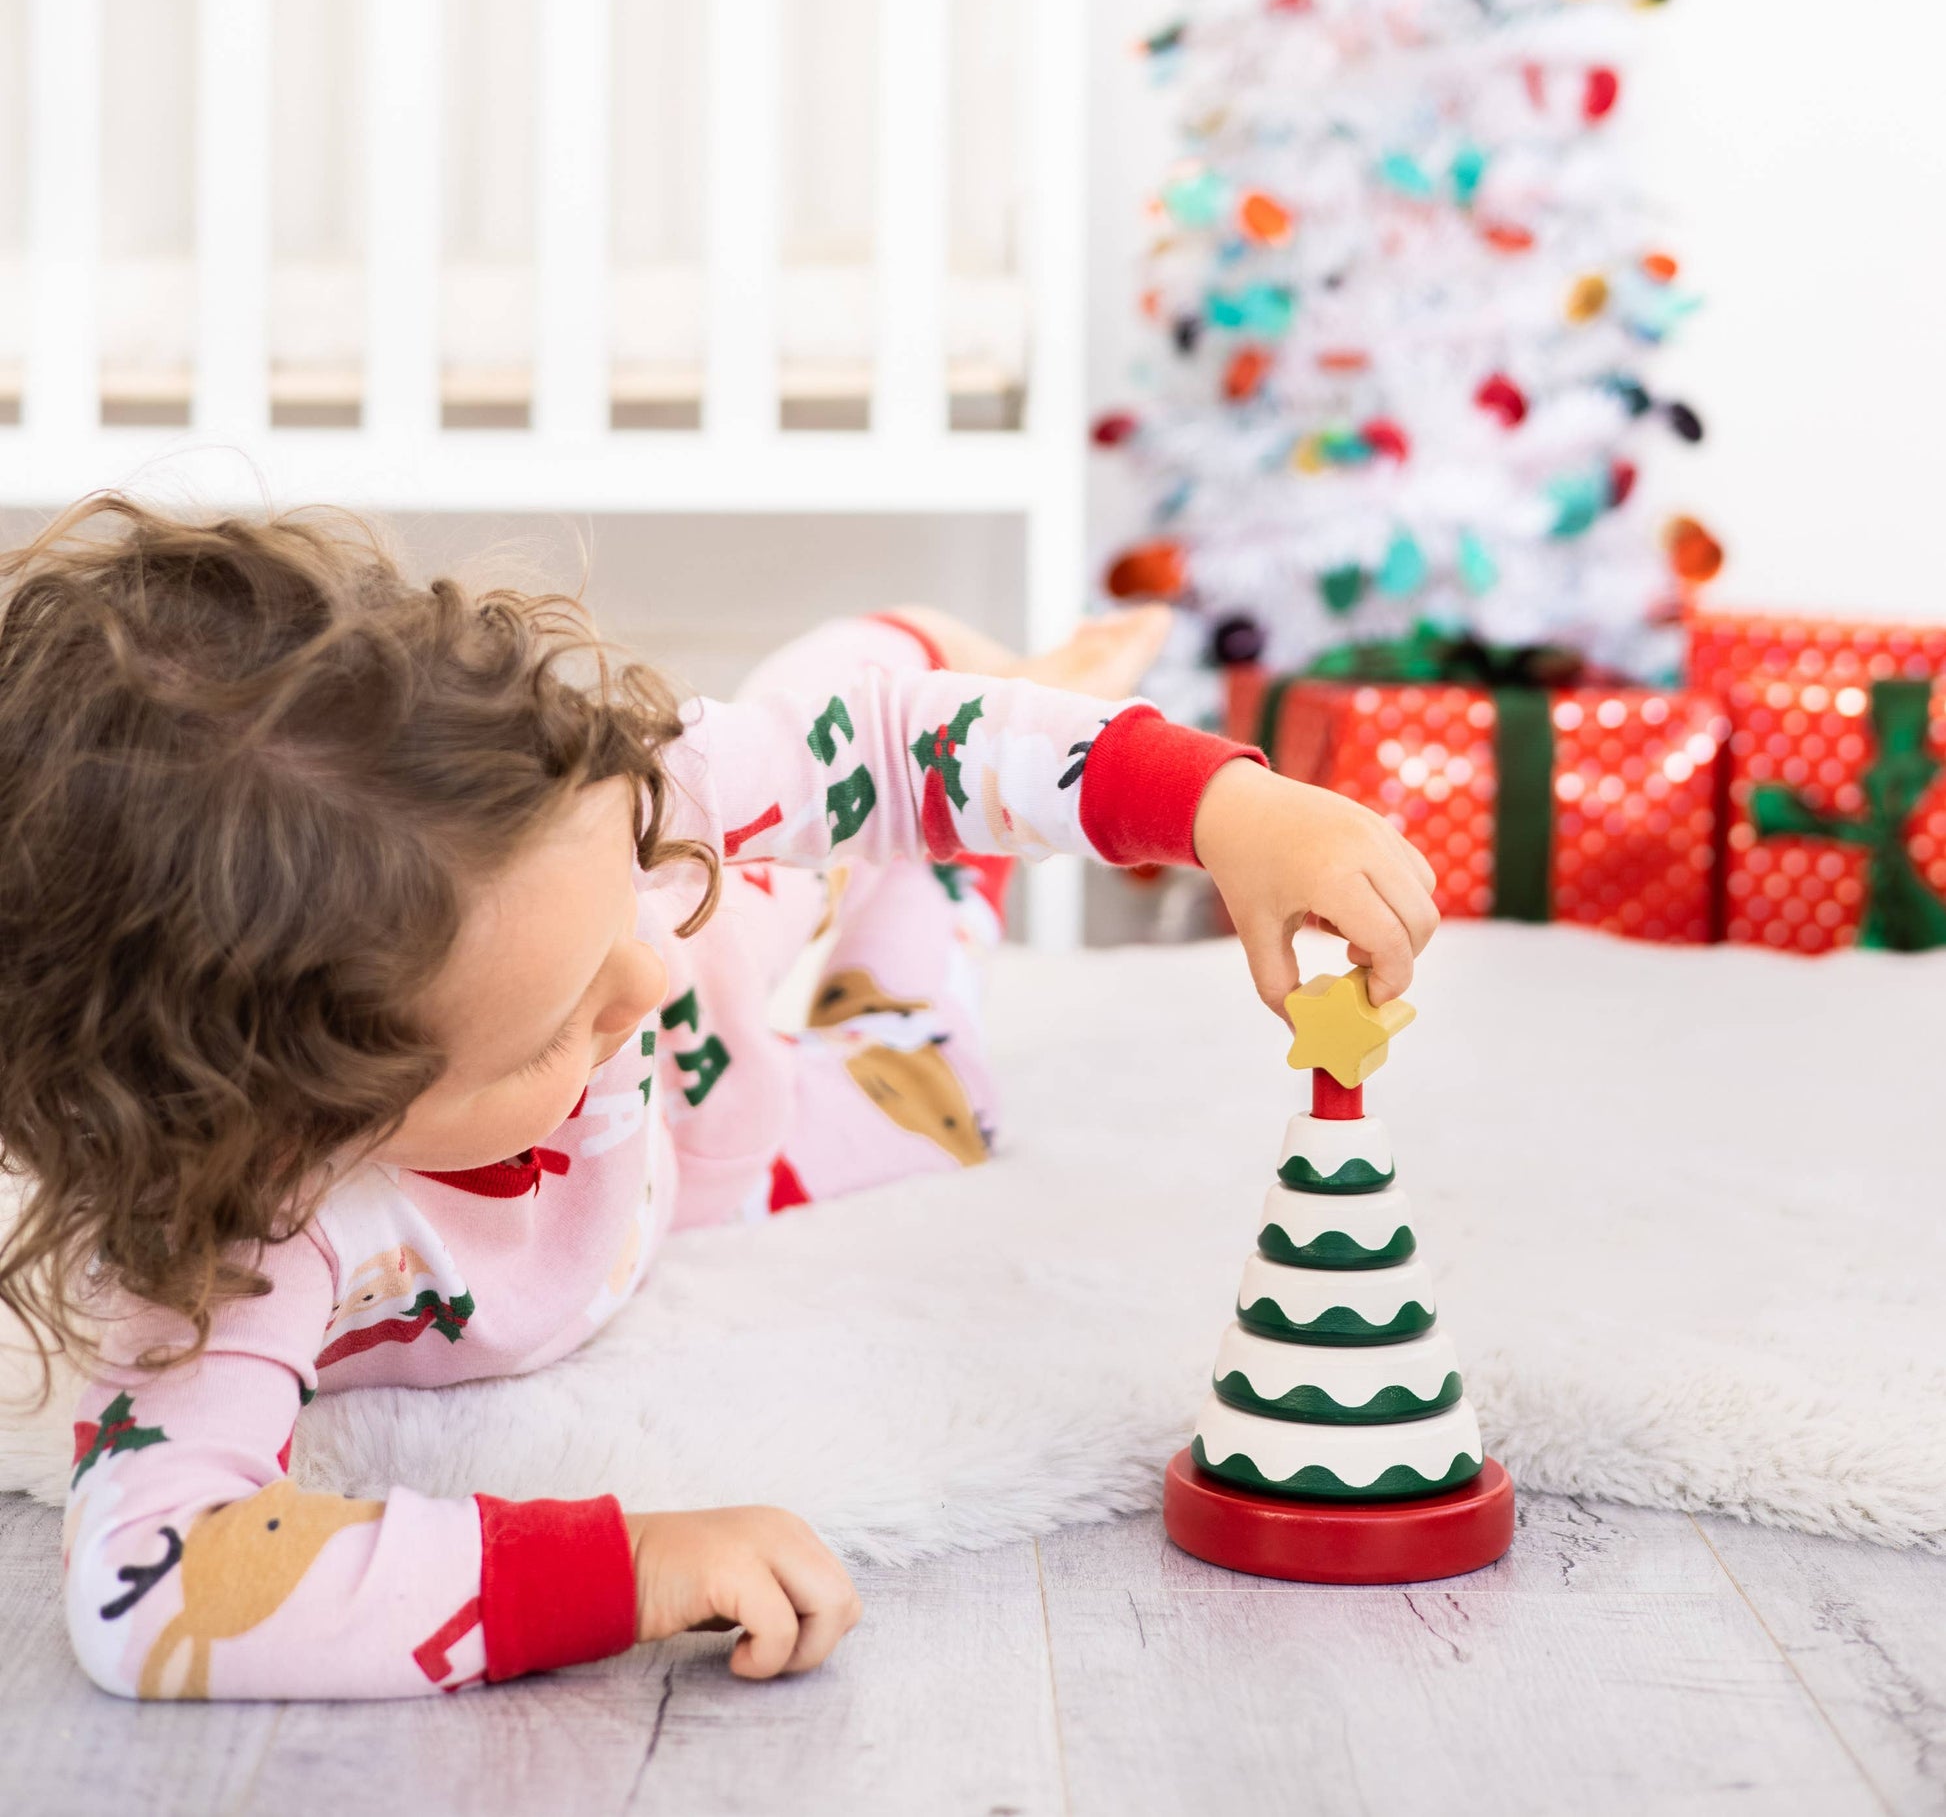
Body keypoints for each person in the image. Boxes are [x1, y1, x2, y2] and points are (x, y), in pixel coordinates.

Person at [0, 497, 1437, 1702]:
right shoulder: (235, 1241)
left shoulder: (627, 838)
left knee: (845, 718)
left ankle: (953, 674)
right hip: (704, 1156)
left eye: (599, 904)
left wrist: (1224, 809)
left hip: (719, 977)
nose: (638, 978)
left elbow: (886, 748)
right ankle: (919, 853)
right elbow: (154, 1582)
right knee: (941, 1098)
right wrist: (618, 1566)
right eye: (546, 1026)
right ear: (284, 1124)